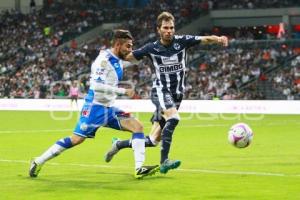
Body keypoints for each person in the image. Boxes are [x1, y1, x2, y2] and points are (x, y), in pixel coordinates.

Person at [104, 11, 228, 174]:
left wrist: (218, 39)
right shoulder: (151, 48)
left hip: (177, 95)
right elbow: (128, 57)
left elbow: (203, 39)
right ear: (158, 29)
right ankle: (164, 161)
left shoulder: (182, 42)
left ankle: (119, 144)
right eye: (165, 28)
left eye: (171, 27)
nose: (169, 30)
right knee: (174, 118)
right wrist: (107, 58)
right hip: (161, 91)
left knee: (153, 140)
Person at [29, 29, 159, 179]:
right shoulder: (103, 61)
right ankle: (38, 161)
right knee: (76, 139)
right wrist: (122, 91)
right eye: (128, 46)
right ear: (118, 45)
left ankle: (139, 168)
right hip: (95, 107)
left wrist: (152, 51)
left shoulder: (118, 59)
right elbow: (95, 86)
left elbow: (135, 58)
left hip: (109, 109)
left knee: (138, 127)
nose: (130, 50)